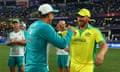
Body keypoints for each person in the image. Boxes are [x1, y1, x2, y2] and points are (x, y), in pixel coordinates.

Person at [25, 4, 73, 72]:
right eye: (53, 14)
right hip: (39, 67)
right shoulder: (45, 26)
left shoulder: (32, 25)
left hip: (29, 66)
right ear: (49, 15)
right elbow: (62, 44)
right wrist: (70, 32)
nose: (53, 16)